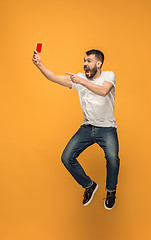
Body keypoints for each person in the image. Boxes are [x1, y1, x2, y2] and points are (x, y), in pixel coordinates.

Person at [32, 49, 120, 210]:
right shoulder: (79, 77)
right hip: (87, 127)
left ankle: (111, 191)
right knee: (67, 157)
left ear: (98, 64)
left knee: (112, 158)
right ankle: (89, 185)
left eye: (89, 61)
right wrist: (39, 65)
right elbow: (54, 78)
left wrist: (81, 81)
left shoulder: (108, 76)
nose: (85, 64)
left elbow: (103, 91)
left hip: (107, 128)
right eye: (84, 61)